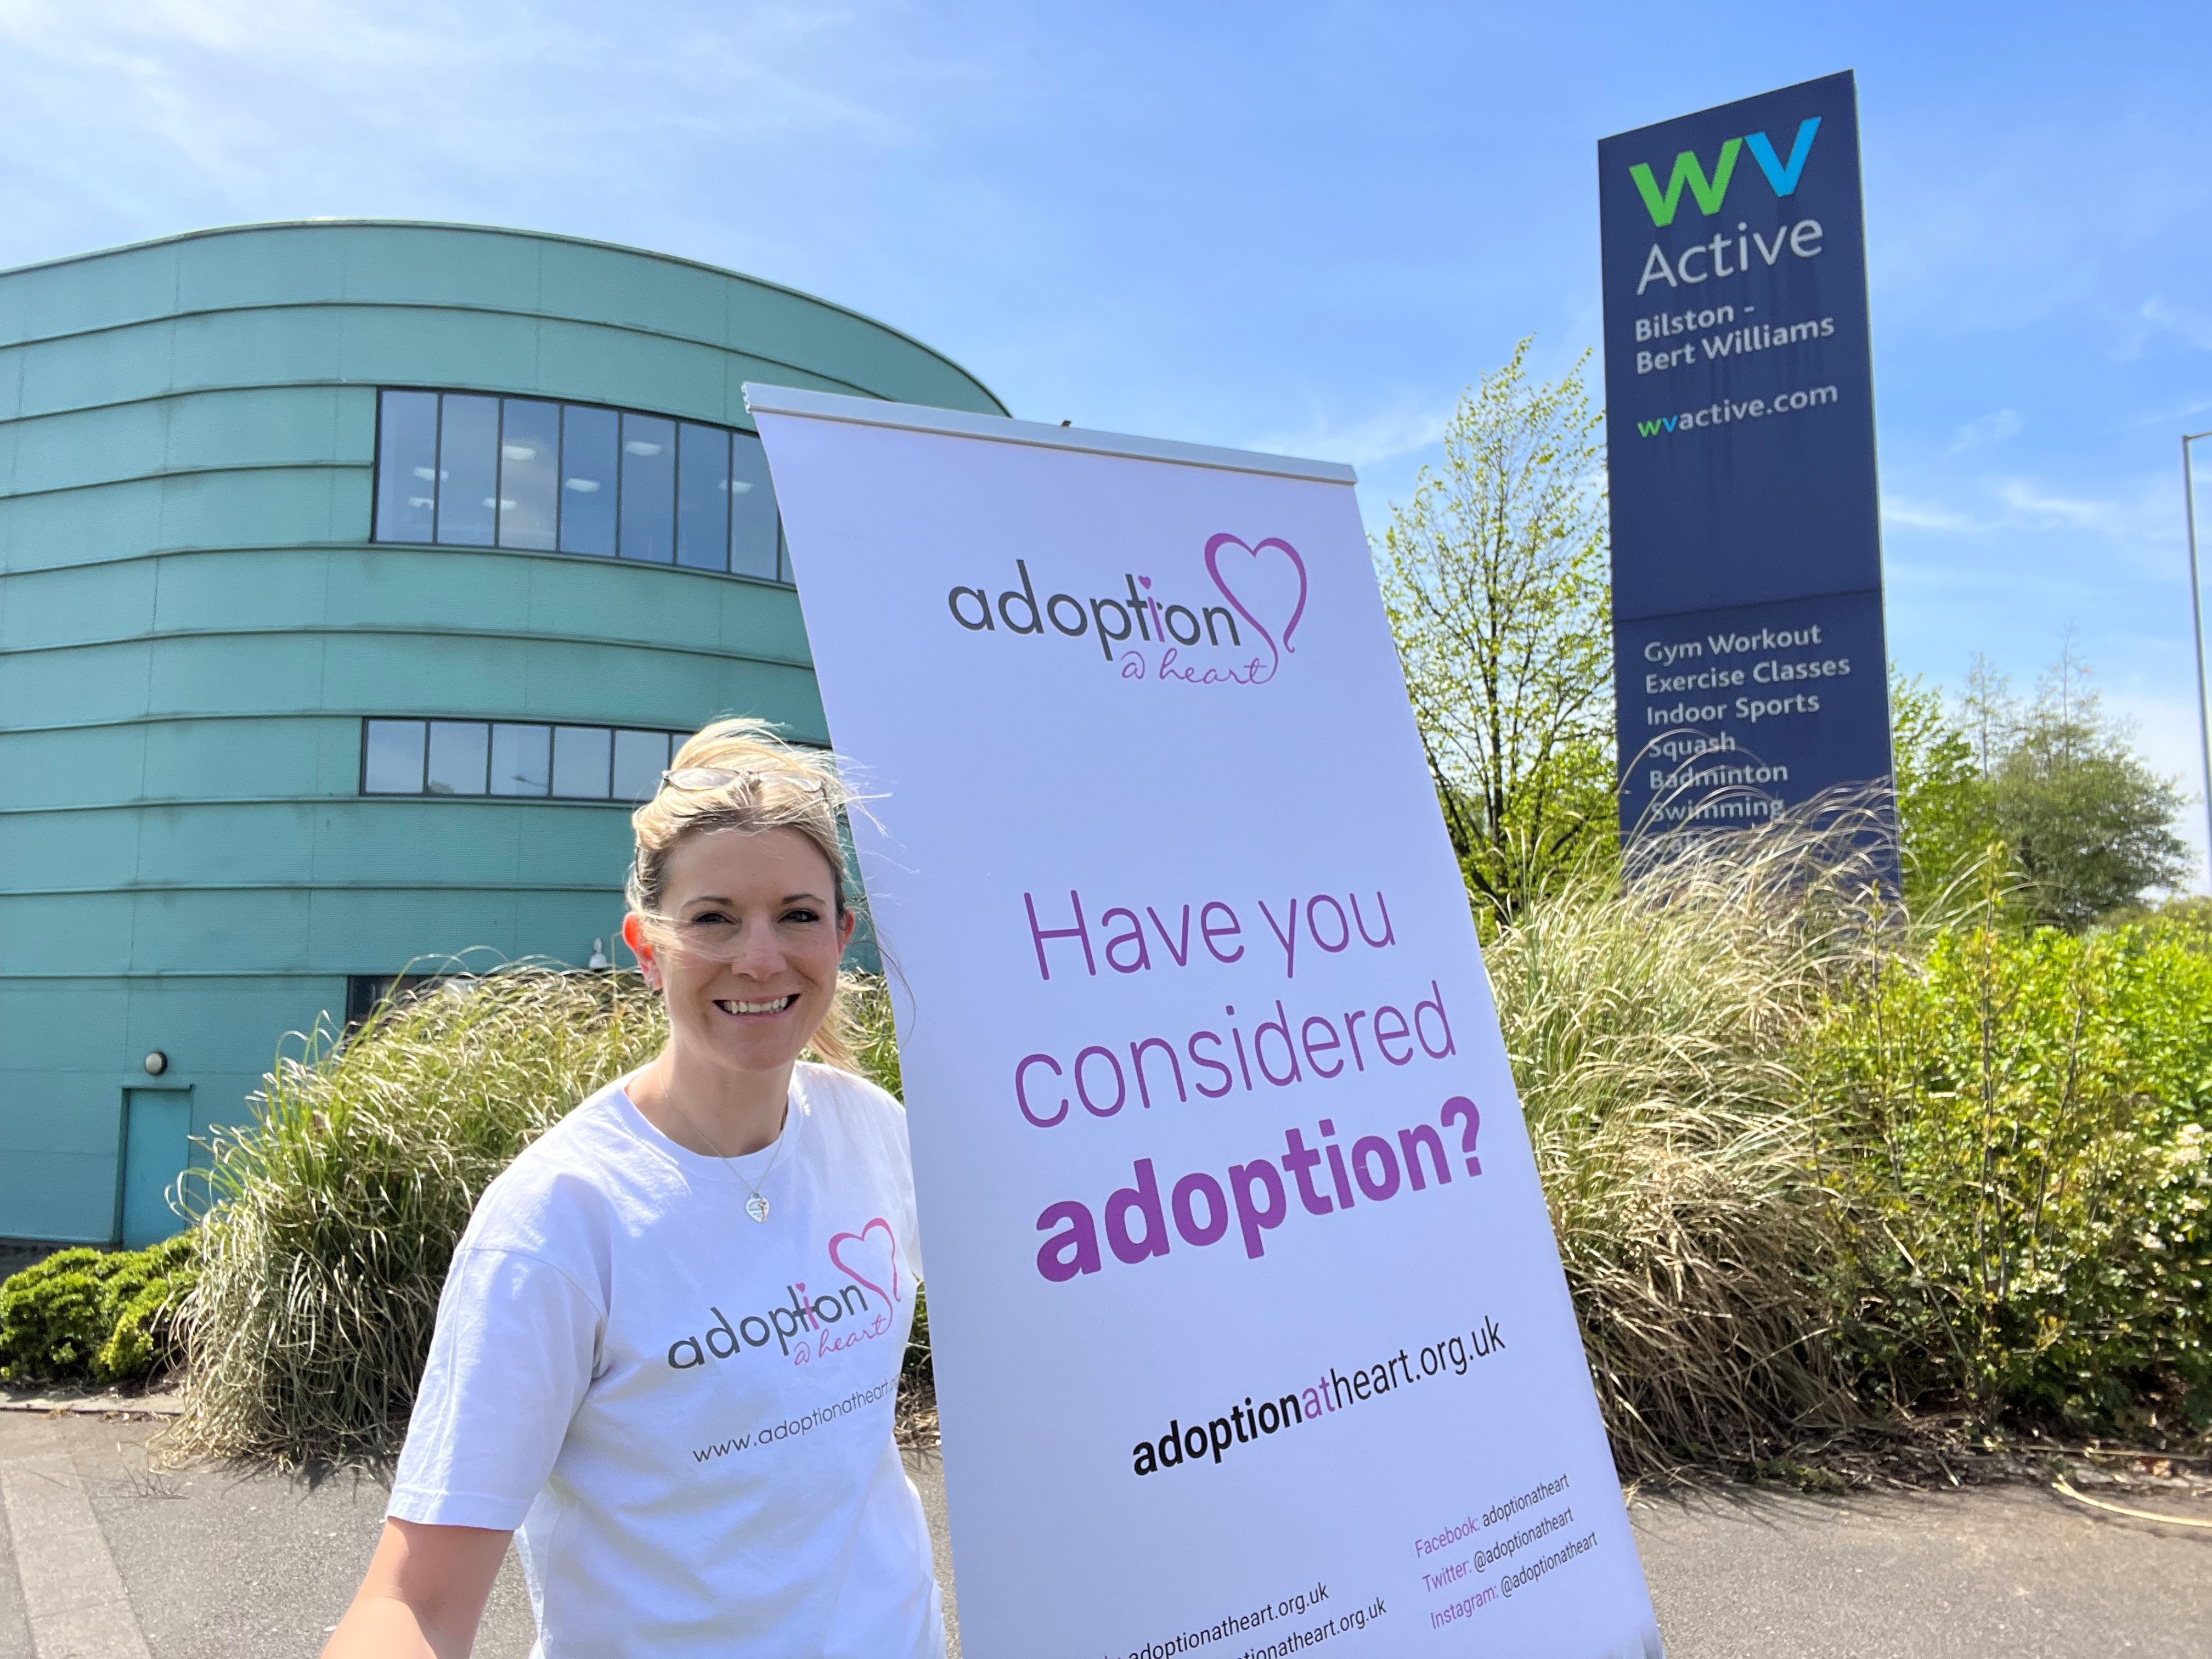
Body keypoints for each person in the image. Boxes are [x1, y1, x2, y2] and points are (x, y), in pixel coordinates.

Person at [324, 719, 940, 1659]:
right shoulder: (561, 1219)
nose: (761, 957)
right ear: (646, 948)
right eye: (714, 918)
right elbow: (415, 1601)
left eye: (798, 915)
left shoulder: (877, 1133)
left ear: (842, 935)